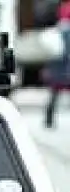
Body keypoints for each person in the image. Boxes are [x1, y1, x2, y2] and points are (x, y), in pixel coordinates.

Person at [45, 0, 70, 128]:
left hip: (58, 68)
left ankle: (48, 119)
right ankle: (48, 119)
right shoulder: (65, 31)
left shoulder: (56, 31)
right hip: (64, 67)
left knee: (54, 93)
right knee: (55, 93)